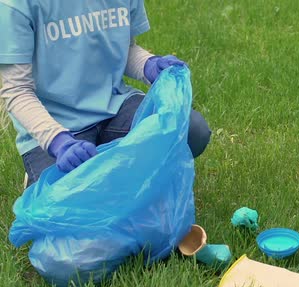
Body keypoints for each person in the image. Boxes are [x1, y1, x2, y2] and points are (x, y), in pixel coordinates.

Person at [0, 0, 229, 268]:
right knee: (76, 253)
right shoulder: (17, 4)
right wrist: (57, 142)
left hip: (113, 107)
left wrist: (149, 65)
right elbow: (16, 90)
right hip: (55, 130)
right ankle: (45, 178)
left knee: (191, 130)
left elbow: (125, 51)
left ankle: (122, 187)